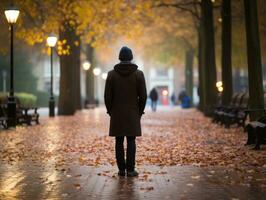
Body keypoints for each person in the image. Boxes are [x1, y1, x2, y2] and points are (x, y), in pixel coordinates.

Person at [104, 46, 147, 177]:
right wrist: (139, 111)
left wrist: (110, 110)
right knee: (131, 140)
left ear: (120, 57)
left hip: (116, 112)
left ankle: (121, 170)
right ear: (131, 57)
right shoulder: (138, 74)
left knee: (118, 141)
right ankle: (131, 169)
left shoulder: (111, 74)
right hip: (133, 112)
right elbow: (143, 96)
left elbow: (107, 96)